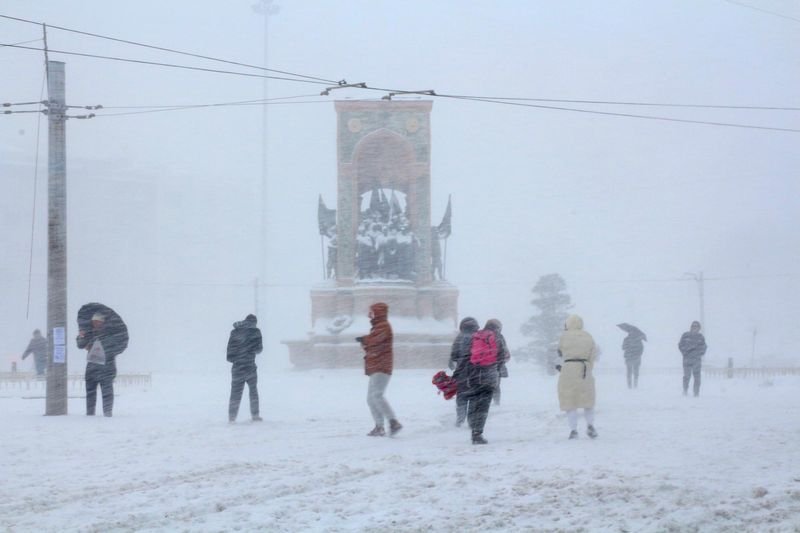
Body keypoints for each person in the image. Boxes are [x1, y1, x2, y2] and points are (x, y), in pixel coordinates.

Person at [357, 302, 402, 437]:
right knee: (371, 398)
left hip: (381, 366)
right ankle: (379, 426)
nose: (369, 315)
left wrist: (364, 340)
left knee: (376, 395)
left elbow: (375, 342)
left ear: (378, 312)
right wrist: (365, 342)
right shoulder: (378, 327)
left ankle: (393, 422)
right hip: (376, 365)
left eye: (371, 312)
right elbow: (373, 344)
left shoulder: (383, 326)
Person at [461, 319, 506, 445]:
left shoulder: (476, 336)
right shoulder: (497, 337)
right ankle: (477, 433)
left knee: (474, 401)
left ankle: (472, 424)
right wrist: (496, 368)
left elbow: (467, 356)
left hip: (474, 374)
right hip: (490, 375)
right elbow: (502, 356)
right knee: (484, 406)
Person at [76, 313, 127, 417]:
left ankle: (107, 413)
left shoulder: (110, 333)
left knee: (107, 391)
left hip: (106, 367)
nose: (95, 323)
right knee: (90, 391)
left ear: (102, 322)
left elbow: (113, 347)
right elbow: (80, 345)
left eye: (97, 321)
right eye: (93, 321)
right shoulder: (90, 333)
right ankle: (90, 413)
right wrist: (81, 336)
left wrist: (97, 345)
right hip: (92, 366)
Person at [557, 314, 598, 439]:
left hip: (569, 369)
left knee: (570, 400)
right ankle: (590, 424)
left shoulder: (564, 336)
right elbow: (592, 354)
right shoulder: (587, 336)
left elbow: (560, 352)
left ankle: (573, 430)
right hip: (584, 368)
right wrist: (588, 367)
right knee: (588, 399)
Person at [227, 314, 264, 423]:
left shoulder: (234, 332)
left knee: (235, 393)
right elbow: (259, 349)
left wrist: (237, 359)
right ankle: (255, 415)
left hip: (237, 367)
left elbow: (229, 354)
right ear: (254, 322)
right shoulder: (255, 332)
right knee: (253, 391)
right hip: (250, 366)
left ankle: (232, 417)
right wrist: (249, 352)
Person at [448, 317, 479, 427]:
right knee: (474, 396)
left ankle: (460, 419)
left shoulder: (459, 338)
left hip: (462, 371)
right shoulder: (479, 337)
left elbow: (454, 355)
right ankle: (471, 421)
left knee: (462, 396)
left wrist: (459, 360)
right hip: (478, 372)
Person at [678, 321, 707, 397]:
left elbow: (704, 347)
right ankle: (685, 391)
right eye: (693, 327)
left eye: (696, 327)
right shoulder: (685, 335)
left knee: (697, 377)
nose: (695, 328)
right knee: (687, 376)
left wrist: (699, 354)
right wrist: (685, 352)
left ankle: (696, 393)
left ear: (699, 328)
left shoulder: (701, 337)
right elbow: (680, 345)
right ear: (691, 327)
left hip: (696, 360)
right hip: (687, 359)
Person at [488, 319, 511, 406]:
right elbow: (506, 353)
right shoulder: (499, 336)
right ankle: (496, 403)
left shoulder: (480, 335)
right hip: (497, 366)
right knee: (496, 385)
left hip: (482, 366)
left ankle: (484, 402)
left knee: (483, 385)